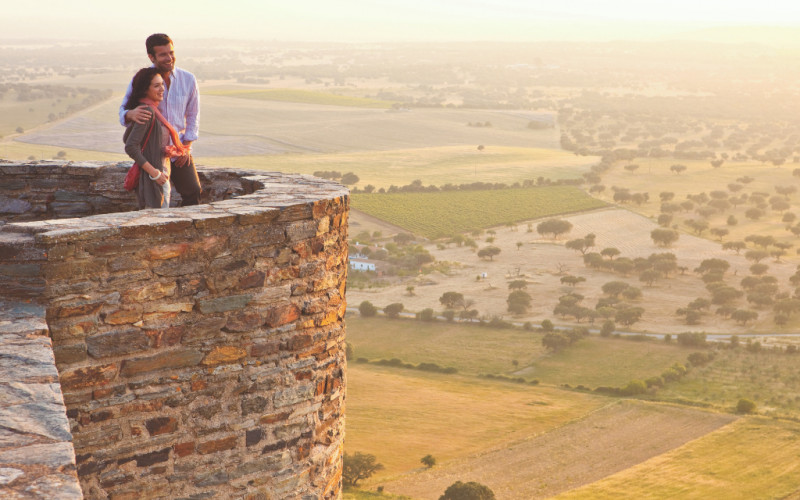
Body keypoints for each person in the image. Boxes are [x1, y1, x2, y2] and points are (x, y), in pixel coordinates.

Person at [119, 33, 201, 206]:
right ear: (151, 56)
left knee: (193, 191)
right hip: (153, 153)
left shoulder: (188, 79)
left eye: (171, 52)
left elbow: (193, 115)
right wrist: (129, 114)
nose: (169, 58)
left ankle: (186, 231)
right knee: (155, 200)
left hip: (178, 149)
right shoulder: (144, 79)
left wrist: (187, 147)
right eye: (163, 54)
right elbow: (124, 109)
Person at [123, 67, 175, 208]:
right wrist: (155, 173)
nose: (162, 89)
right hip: (154, 177)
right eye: (156, 85)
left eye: (162, 84)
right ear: (145, 89)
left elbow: (129, 138)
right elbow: (130, 146)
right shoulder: (147, 111)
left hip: (160, 172)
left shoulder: (150, 110)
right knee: (156, 220)